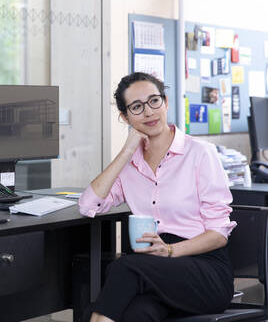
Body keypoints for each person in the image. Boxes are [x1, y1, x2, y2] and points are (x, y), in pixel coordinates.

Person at [78, 72, 237, 322]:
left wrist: (171, 250)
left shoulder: (200, 154)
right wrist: (126, 151)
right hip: (152, 270)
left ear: (166, 102)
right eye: (137, 107)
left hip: (204, 271)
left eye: (154, 101)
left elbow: (219, 234)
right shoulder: (130, 163)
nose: (149, 112)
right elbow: (89, 205)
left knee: (122, 268)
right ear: (125, 116)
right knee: (137, 313)